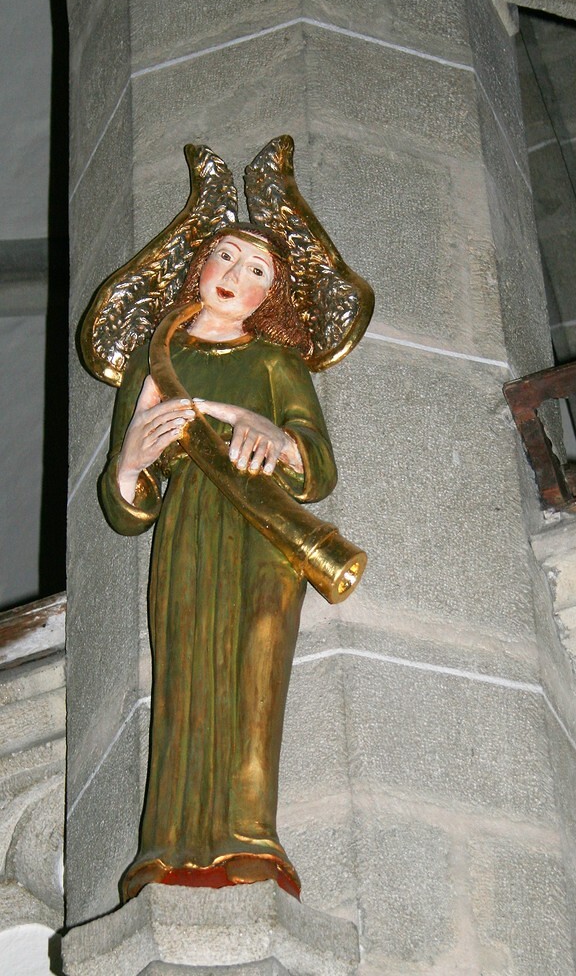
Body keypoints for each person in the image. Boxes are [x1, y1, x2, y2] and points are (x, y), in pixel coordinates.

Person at [99, 223, 337, 902]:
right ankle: (166, 847)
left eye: (257, 269)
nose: (236, 275)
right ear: (199, 267)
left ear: (272, 293)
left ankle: (249, 837)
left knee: (256, 662)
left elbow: (317, 468)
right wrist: (130, 464)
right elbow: (128, 508)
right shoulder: (156, 365)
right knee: (183, 676)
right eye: (225, 257)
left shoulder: (274, 363)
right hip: (187, 530)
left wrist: (272, 435)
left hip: (263, 532)